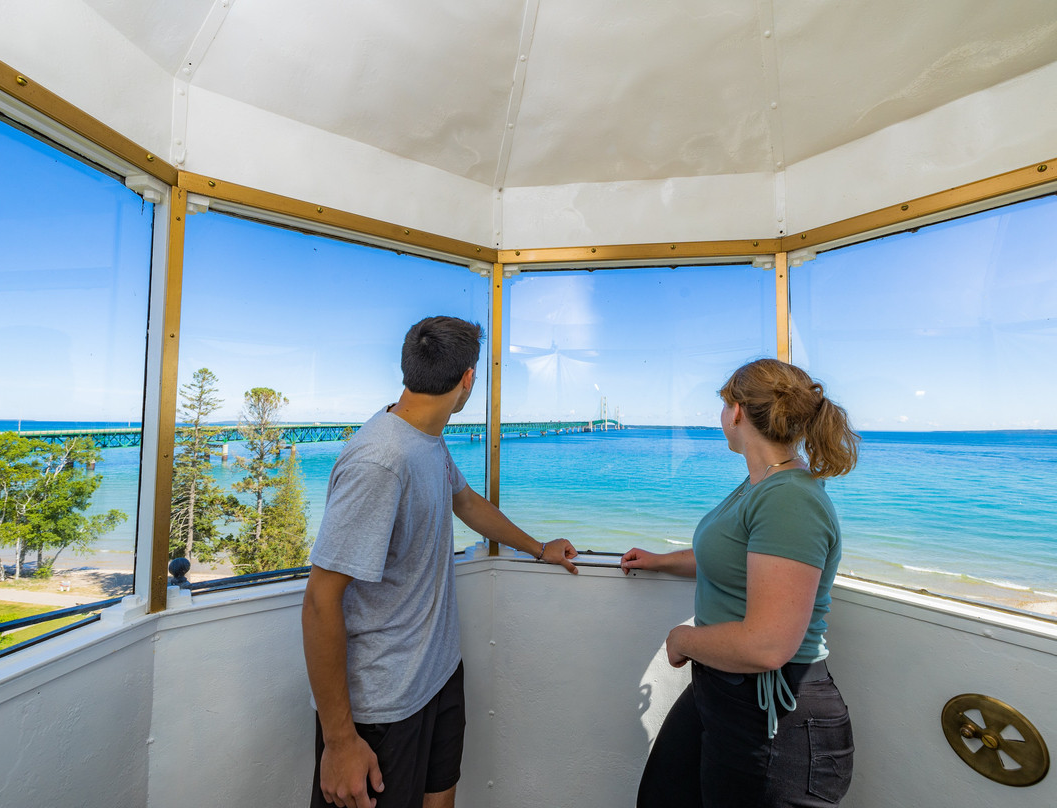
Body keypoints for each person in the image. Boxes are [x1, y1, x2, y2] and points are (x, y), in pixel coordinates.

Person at [302, 315, 579, 808]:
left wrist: (539, 548)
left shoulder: (426, 435)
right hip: (383, 704)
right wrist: (340, 741)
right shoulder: (379, 460)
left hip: (437, 672)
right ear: (468, 378)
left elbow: (465, 501)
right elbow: (321, 600)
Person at [622, 358, 859, 808]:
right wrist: (659, 561)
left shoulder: (789, 497)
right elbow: (735, 556)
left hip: (774, 715)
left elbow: (767, 645)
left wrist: (682, 640)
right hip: (724, 692)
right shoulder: (762, 483)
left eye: (723, 405)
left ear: (736, 411)